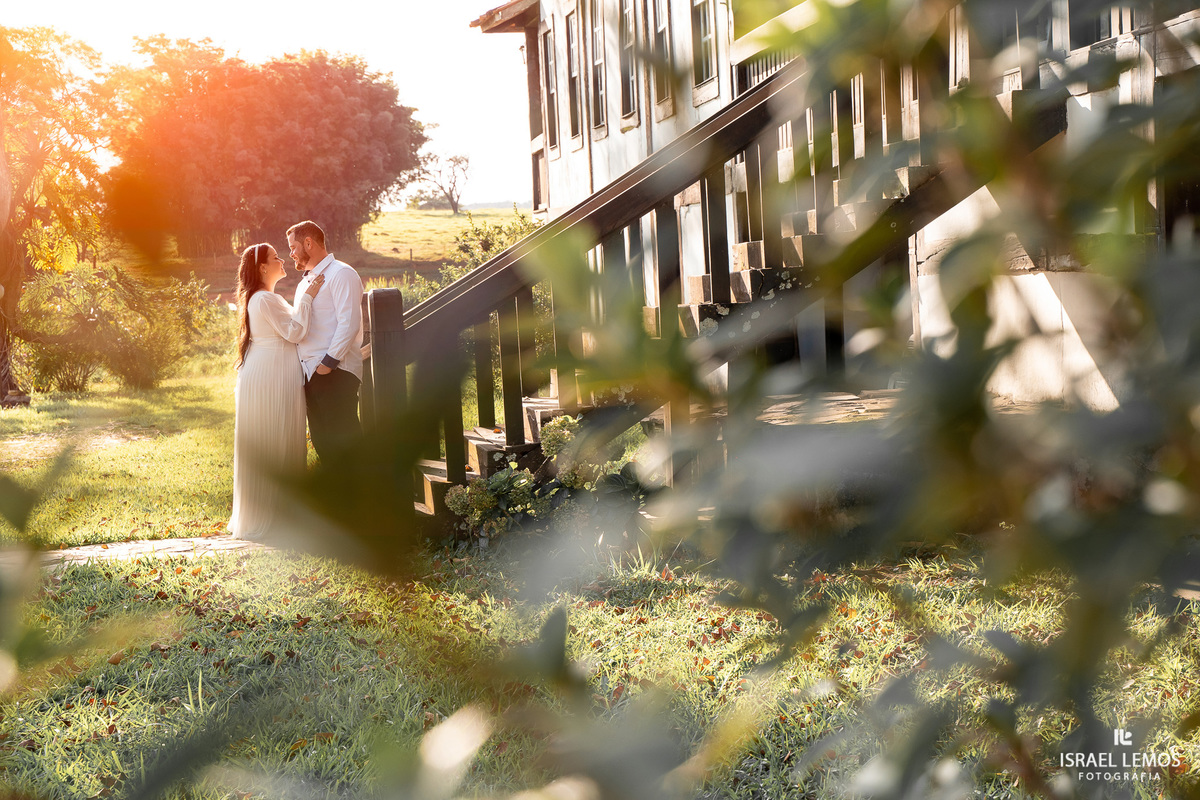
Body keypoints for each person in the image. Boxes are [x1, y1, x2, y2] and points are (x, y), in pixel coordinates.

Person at [228, 243, 325, 540]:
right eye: (275, 257)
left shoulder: (263, 299)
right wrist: (308, 297)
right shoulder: (264, 300)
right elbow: (295, 332)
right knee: (275, 436)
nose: (282, 260)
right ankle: (276, 517)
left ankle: (279, 513)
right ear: (262, 268)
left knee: (277, 436)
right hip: (271, 375)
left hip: (271, 371)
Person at [286, 220, 365, 462]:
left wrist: (327, 364)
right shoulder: (303, 284)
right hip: (311, 376)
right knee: (324, 447)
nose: (291, 254)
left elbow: (348, 323)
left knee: (346, 445)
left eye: (293, 247)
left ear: (308, 243)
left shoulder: (341, 274)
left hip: (335, 373)